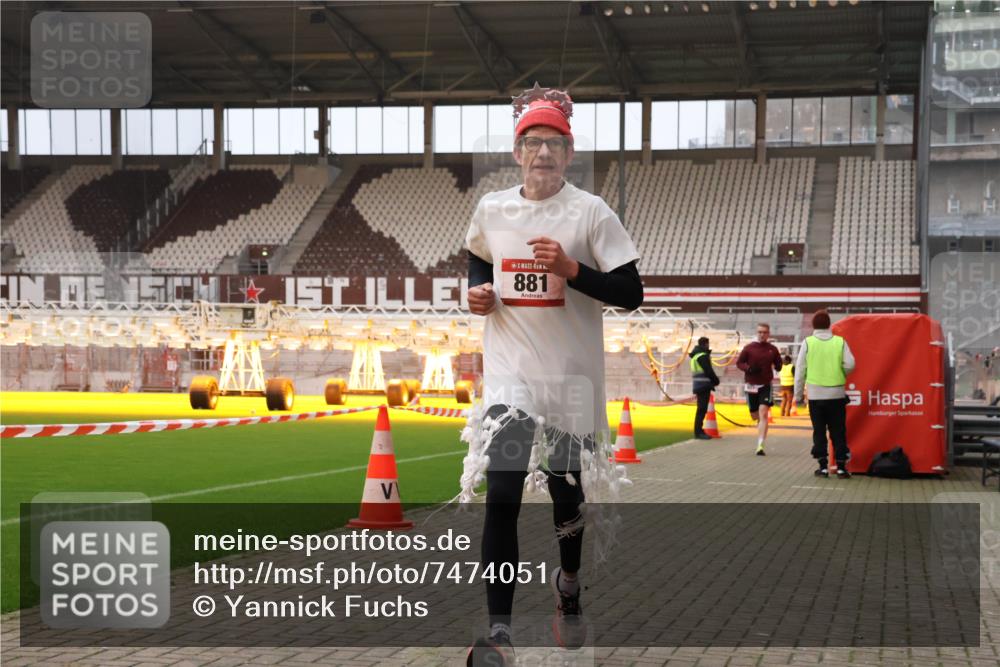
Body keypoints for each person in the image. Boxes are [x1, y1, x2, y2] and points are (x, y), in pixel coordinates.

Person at [464, 84, 642, 666]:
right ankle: (499, 634)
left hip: (570, 379)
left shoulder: (591, 211)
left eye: (555, 143)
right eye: (532, 142)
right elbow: (478, 260)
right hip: (511, 375)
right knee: (504, 495)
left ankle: (568, 588)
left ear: (569, 153)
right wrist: (479, 294)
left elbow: (632, 293)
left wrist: (573, 270)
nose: (543, 152)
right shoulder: (493, 209)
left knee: (568, 498)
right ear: (518, 151)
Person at [794, 309, 856, 479]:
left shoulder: (808, 342)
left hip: (815, 395)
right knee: (838, 431)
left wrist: (797, 396)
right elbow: (851, 364)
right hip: (836, 395)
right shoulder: (840, 342)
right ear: (829, 325)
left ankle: (822, 467)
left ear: (814, 325)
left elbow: (800, 371)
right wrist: (841, 373)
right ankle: (842, 466)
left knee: (819, 431)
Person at [736, 323, 782, 456]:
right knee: (754, 415)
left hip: (765, 385)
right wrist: (748, 368)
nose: (762, 334)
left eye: (765, 332)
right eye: (760, 332)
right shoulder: (749, 348)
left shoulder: (772, 349)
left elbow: (779, 364)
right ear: (757, 333)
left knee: (763, 414)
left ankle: (760, 445)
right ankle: (759, 428)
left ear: (768, 334)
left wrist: (779, 365)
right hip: (751, 385)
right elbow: (739, 363)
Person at [690, 336, 720, 440]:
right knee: (702, 409)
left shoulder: (695, 356)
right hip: (703, 385)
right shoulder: (702, 356)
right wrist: (716, 381)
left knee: (701, 409)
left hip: (698, 385)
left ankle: (699, 431)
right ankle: (698, 432)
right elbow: (708, 371)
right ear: (706, 344)